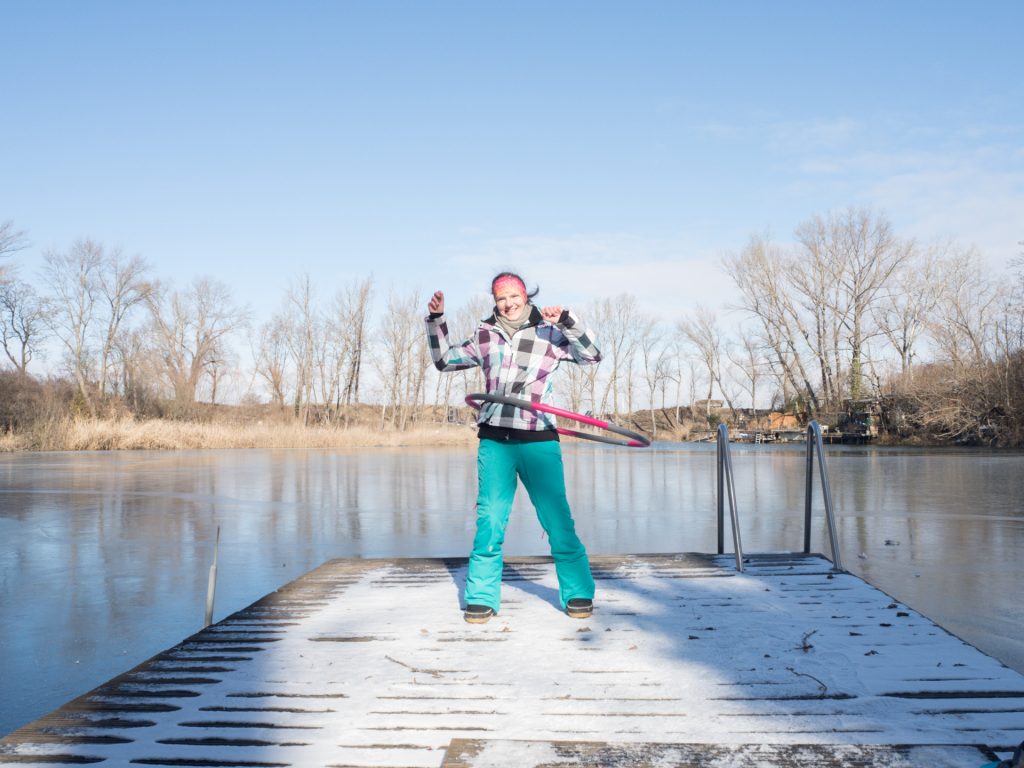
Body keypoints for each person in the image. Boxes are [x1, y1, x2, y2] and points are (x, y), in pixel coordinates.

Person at [425, 272, 602, 624]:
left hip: (538, 438)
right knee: (490, 520)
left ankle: (578, 592)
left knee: (557, 520)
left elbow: (592, 356)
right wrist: (436, 320)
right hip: (495, 439)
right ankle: (481, 597)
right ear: (495, 300)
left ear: (525, 295)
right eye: (500, 298)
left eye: (513, 296)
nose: (507, 303)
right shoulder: (484, 334)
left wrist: (568, 320)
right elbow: (444, 360)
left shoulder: (550, 332)